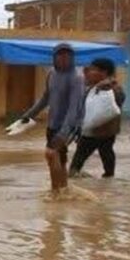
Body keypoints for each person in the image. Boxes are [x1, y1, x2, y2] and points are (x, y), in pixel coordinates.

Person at [20, 43, 85, 193]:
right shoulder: (51, 74)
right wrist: (28, 115)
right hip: (53, 123)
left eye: (68, 55)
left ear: (73, 58)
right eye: (60, 55)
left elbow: (74, 108)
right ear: (54, 58)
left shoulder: (77, 78)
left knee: (51, 154)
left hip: (70, 124)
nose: (64, 58)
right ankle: (62, 189)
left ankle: (56, 192)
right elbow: (45, 98)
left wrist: (64, 133)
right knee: (59, 160)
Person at [69, 58, 126, 178]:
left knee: (78, 164)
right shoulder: (93, 87)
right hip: (99, 130)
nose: (89, 72)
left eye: (93, 70)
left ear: (104, 72)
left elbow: (118, 102)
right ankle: (107, 183)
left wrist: (105, 88)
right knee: (106, 156)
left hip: (101, 131)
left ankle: (106, 182)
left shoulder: (110, 87)